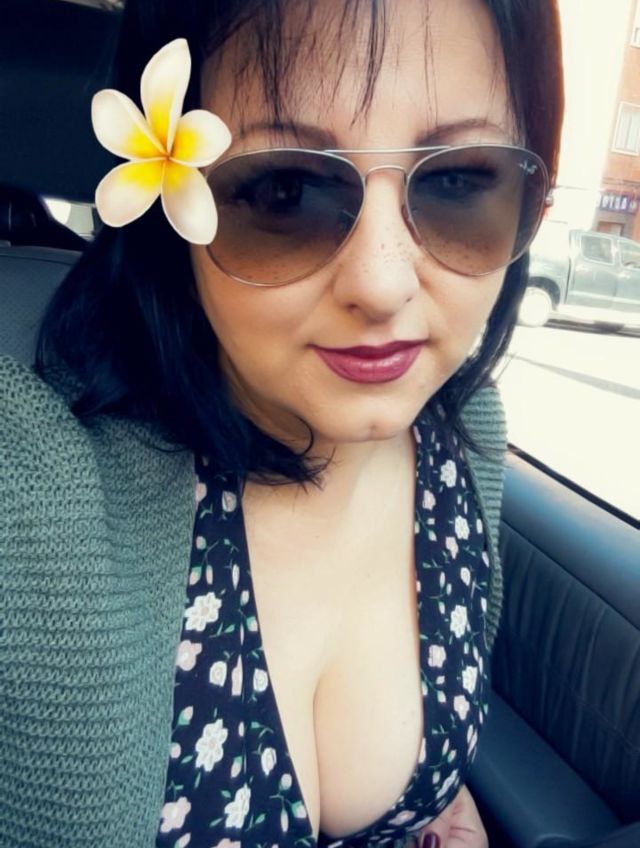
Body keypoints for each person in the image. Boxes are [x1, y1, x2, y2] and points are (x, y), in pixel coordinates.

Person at [0, 0, 563, 845]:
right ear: (175, 214)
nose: (382, 284)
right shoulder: (34, 502)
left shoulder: (461, 437)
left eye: (455, 181)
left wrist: (436, 801)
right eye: (284, 190)